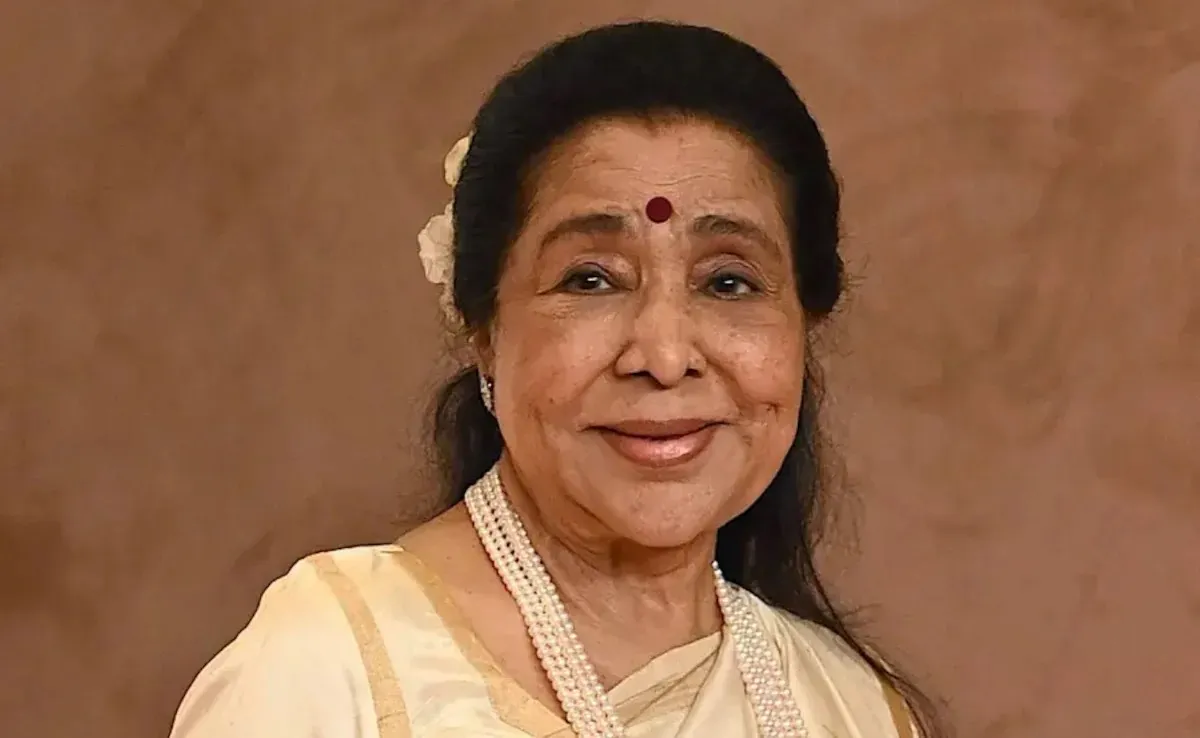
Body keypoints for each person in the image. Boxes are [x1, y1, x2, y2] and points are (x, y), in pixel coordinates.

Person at [168, 20, 943, 738]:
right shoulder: (329, 672)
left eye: (728, 282)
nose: (664, 355)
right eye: (590, 280)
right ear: (482, 330)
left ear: (805, 324)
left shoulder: (851, 710)